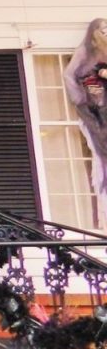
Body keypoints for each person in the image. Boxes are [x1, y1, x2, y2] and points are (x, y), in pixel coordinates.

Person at [65, 18, 107, 224]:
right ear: (94, 33)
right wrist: (79, 98)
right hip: (93, 100)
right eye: (103, 30)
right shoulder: (85, 52)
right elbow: (70, 75)